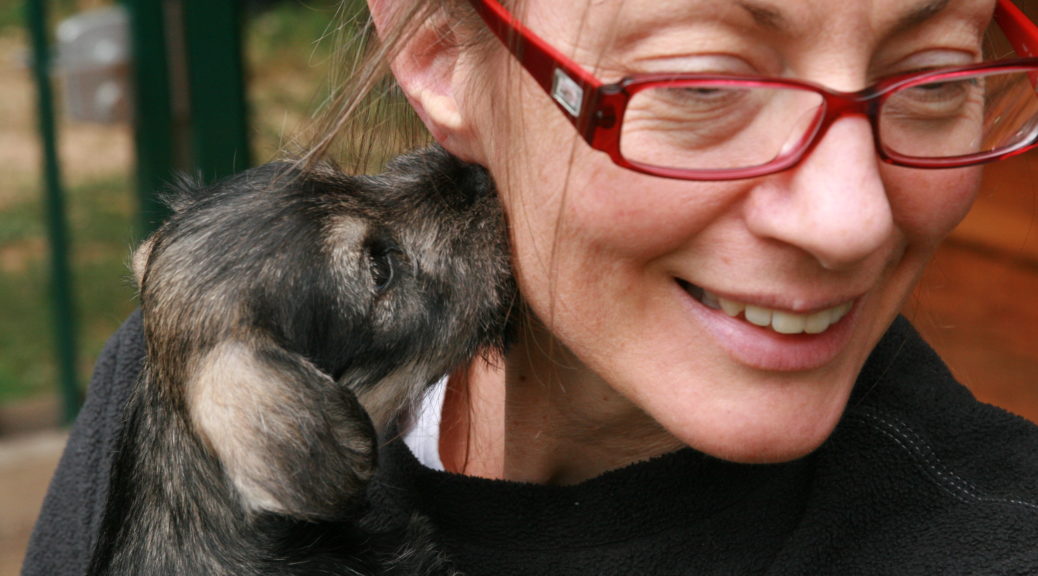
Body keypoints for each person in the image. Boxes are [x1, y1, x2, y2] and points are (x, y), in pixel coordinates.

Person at [22, 0, 1038, 574]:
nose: (853, 218)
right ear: (440, 59)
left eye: (940, 78)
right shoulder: (191, 385)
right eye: (698, 85)